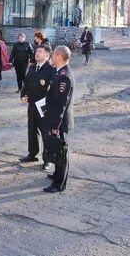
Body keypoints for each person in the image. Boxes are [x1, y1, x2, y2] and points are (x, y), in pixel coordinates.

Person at [42, 45, 75, 193]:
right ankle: (57, 173)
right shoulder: (59, 72)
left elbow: (61, 103)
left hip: (59, 121)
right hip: (55, 118)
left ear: (59, 57)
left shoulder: (64, 76)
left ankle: (59, 184)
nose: (52, 57)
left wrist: (55, 125)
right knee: (56, 149)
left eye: (53, 55)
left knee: (61, 151)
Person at [20, 43, 54, 170]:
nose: (37, 53)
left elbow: (52, 90)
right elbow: (26, 83)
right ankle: (32, 154)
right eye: (36, 51)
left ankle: (47, 159)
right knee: (32, 130)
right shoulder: (32, 67)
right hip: (32, 105)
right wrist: (23, 95)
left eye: (40, 51)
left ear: (47, 55)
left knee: (46, 133)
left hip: (44, 107)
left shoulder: (51, 70)